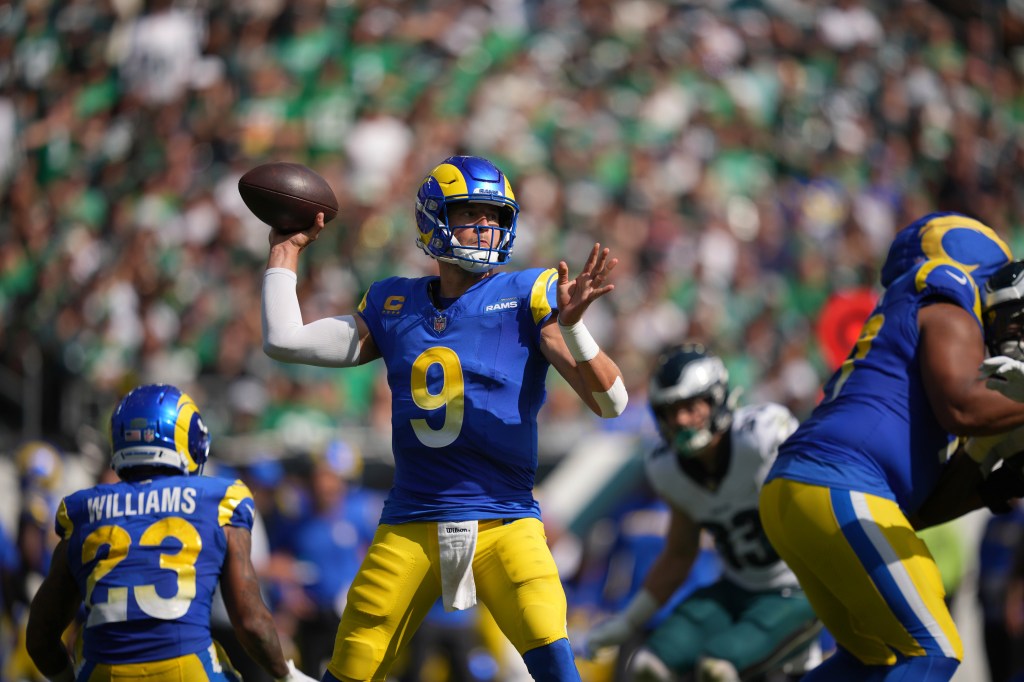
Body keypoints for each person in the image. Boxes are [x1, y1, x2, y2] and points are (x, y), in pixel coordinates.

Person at [260, 154, 629, 682]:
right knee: (351, 668)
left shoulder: (528, 295)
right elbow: (284, 340)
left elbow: (612, 402)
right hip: (412, 521)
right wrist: (284, 250)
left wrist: (573, 328)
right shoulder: (394, 304)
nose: (486, 226)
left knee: (555, 661)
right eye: (471, 213)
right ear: (433, 218)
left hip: (505, 519)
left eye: (494, 215)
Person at [759, 212, 1024, 682]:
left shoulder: (913, 320)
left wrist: (989, 485)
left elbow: (918, 512)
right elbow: (963, 407)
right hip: (838, 481)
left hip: (804, 489)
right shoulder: (946, 300)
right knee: (934, 650)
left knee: (872, 660)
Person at [23, 384, 317, 682]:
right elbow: (250, 621)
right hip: (187, 668)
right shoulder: (219, 500)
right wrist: (287, 675)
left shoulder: (83, 511)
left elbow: (39, 637)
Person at [583, 343, 820, 681]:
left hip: (796, 588)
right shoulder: (667, 468)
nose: (681, 420)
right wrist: (628, 621)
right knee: (648, 666)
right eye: (671, 410)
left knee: (717, 668)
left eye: (691, 407)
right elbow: (680, 553)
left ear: (716, 399)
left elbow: (821, 506)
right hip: (735, 587)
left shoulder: (761, 437)